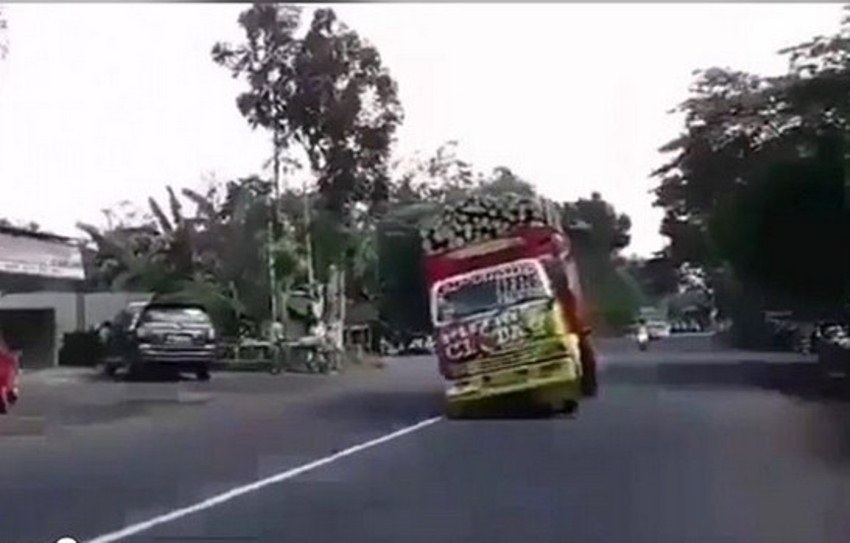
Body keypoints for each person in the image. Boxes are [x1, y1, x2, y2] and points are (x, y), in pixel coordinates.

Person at [0, 327, 20, 414]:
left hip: (5, 369)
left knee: (7, 385)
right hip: (5, 369)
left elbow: (13, 358)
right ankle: (8, 397)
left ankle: (9, 396)